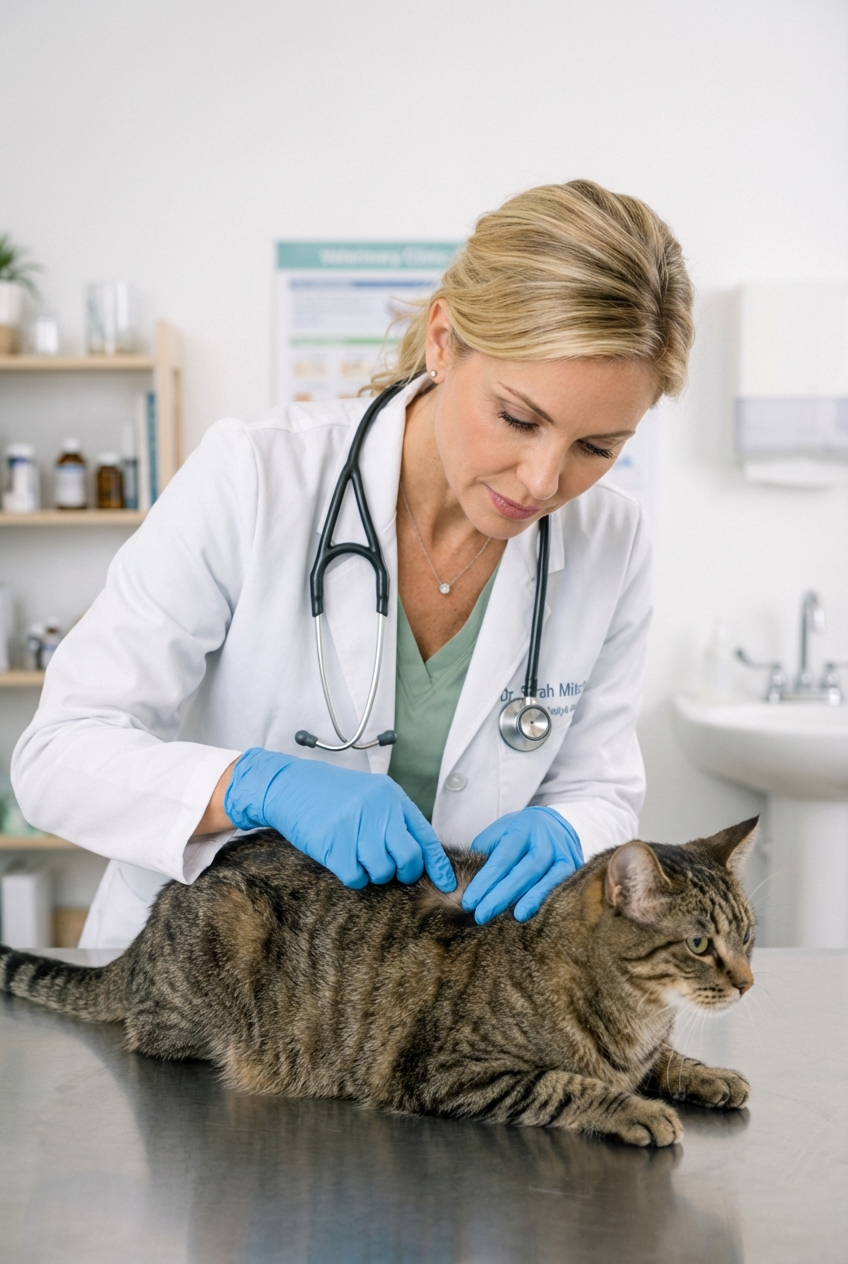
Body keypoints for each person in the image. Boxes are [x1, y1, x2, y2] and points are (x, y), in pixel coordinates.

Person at [11, 180, 694, 949]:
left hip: (422, 990)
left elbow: (598, 786)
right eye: (517, 418)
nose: (544, 481)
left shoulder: (612, 539)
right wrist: (254, 788)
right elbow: (58, 757)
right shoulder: (257, 476)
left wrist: (568, 829)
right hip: (213, 967)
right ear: (442, 341)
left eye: (597, 448)